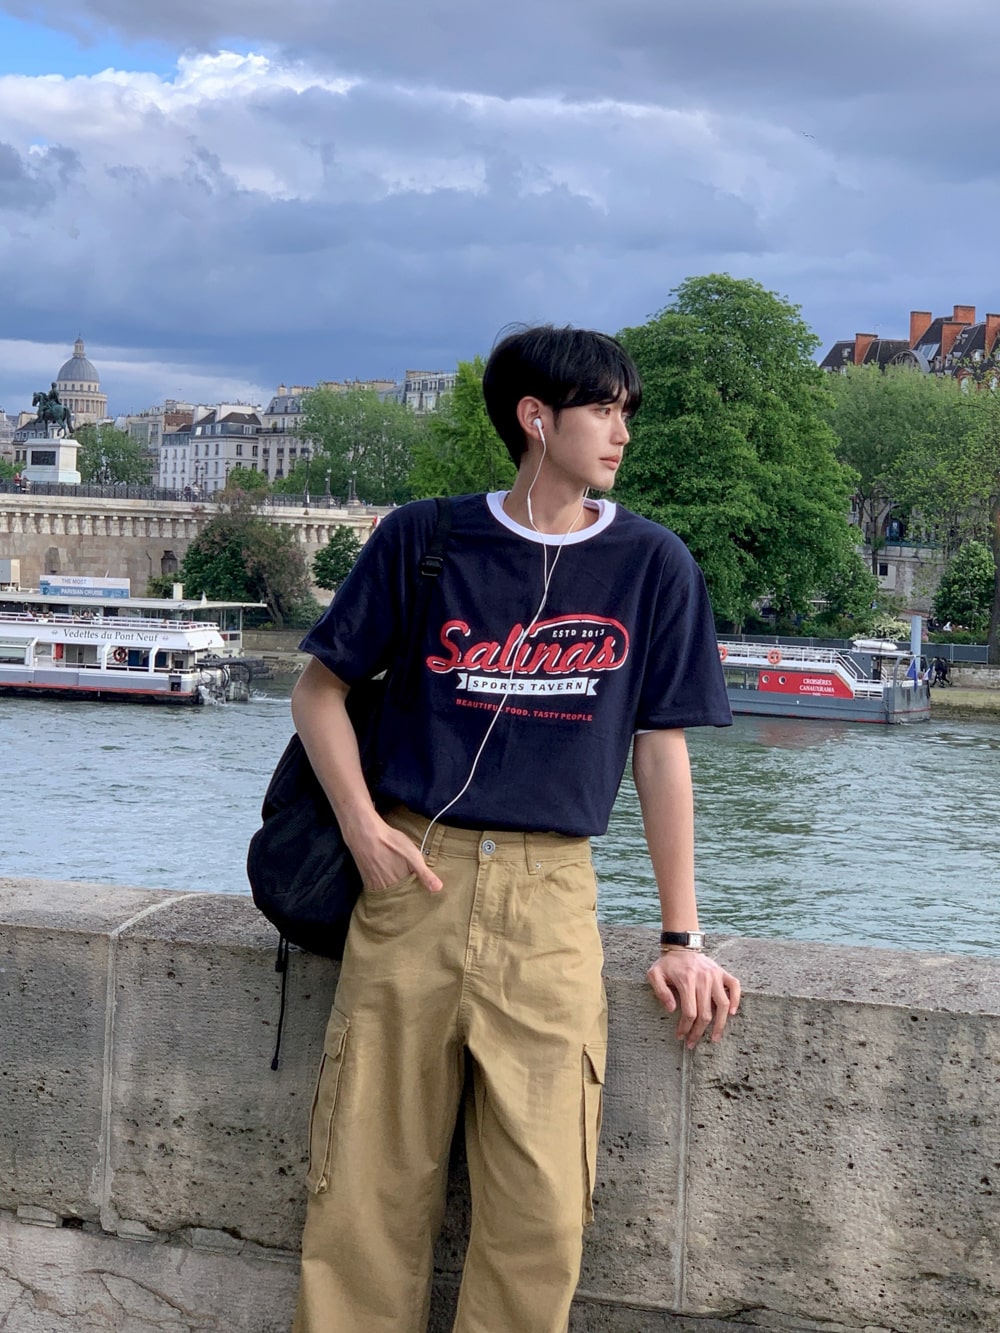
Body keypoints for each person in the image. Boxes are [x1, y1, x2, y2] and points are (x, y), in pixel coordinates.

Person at [289, 325, 740, 1333]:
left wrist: (682, 935)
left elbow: (660, 752)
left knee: (542, 1208)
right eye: (603, 409)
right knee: (363, 1190)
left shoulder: (651, 564)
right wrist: (361, 826)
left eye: (626, 410)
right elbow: (318, 692)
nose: (623, 431)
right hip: (411, 882)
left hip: (551, 900)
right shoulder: (425, 540)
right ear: (536, 418)